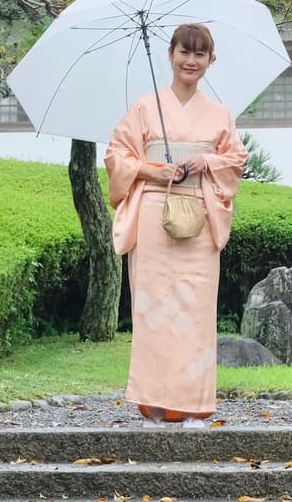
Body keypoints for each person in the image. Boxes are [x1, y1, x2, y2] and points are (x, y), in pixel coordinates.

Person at [106, 23, 248, 428]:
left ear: (210, 61)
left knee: (196, 310)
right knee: (152, 309)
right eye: (184, 52)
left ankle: (193, 406)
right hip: (153, 213)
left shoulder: (219, 114)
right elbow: (117, 156)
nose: (191, 60)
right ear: (170, 55)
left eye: (200, 54)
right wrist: (153, 170)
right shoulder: (144, 108)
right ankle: (152, 404)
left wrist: (206, 162)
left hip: (199, 215)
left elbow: (236, 161)